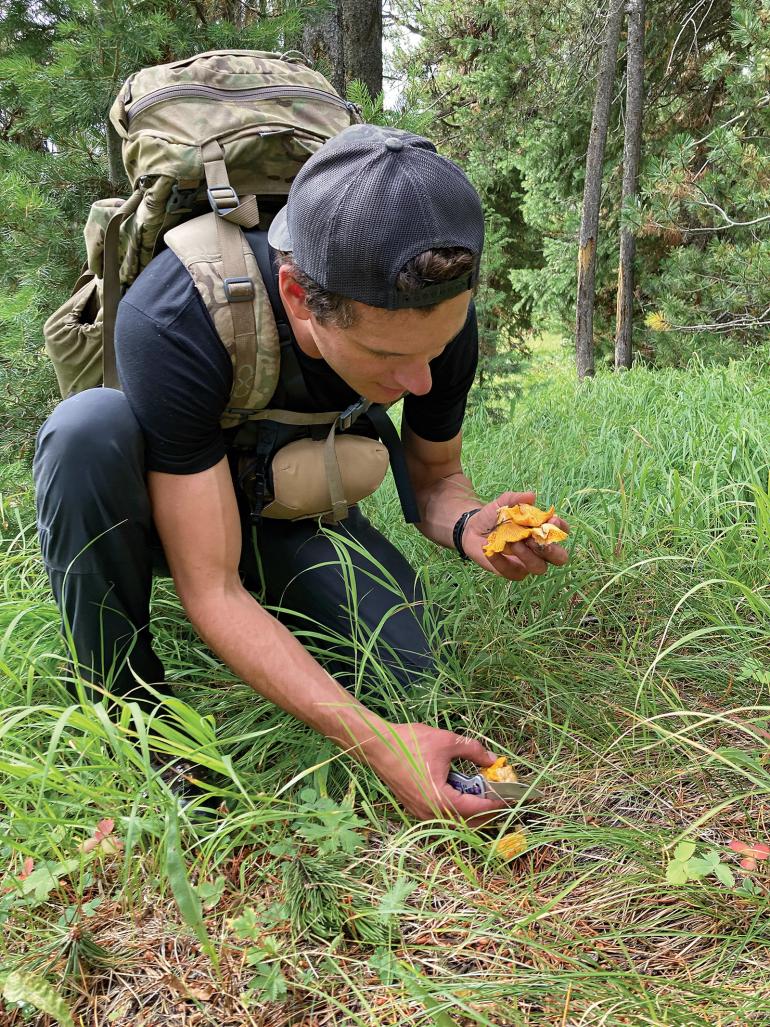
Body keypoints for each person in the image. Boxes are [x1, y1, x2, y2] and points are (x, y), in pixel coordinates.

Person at [33, 125, 569, 823]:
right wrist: (380, 747)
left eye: (436, 347)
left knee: (410, 677)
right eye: (385, 355)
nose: (419, 379)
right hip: (174, 511)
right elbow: (213, 586)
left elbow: (436, 477)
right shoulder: (177, 313)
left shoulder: (436, 317)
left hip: (292, 508)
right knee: (85, 432)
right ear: (296, 295)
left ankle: (288, 594)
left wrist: (474, 524)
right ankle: (126, 701)